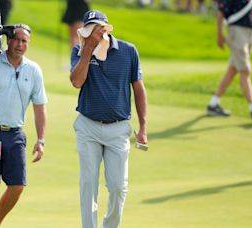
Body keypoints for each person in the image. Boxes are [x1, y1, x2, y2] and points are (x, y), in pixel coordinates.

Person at [70, 10, 148, 228]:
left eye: (98, 29)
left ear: (106, 29)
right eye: (90, 29)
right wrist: (87, 51)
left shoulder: (128, 51)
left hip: (118, 129)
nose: (94, 34)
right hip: (88, 127)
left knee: (117, 187)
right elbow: (76, 81)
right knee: (88, 184)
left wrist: (143, 127)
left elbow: (139, 90)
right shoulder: (78, 50)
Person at [0, 24, 47, 228]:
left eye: (24, 41)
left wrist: (41, 140)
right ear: (8, 40)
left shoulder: (33, 70)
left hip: (14, 134)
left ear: (28, 44)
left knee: (17, 186)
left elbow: (40, 107)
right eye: (16, 39)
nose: (19, 44)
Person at [206, 0, 252, 120]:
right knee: (245, 71)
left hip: (251, 32)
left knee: (232, 71)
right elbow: (221, 13)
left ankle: (213, 104)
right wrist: (219, 34)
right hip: (236, 31)